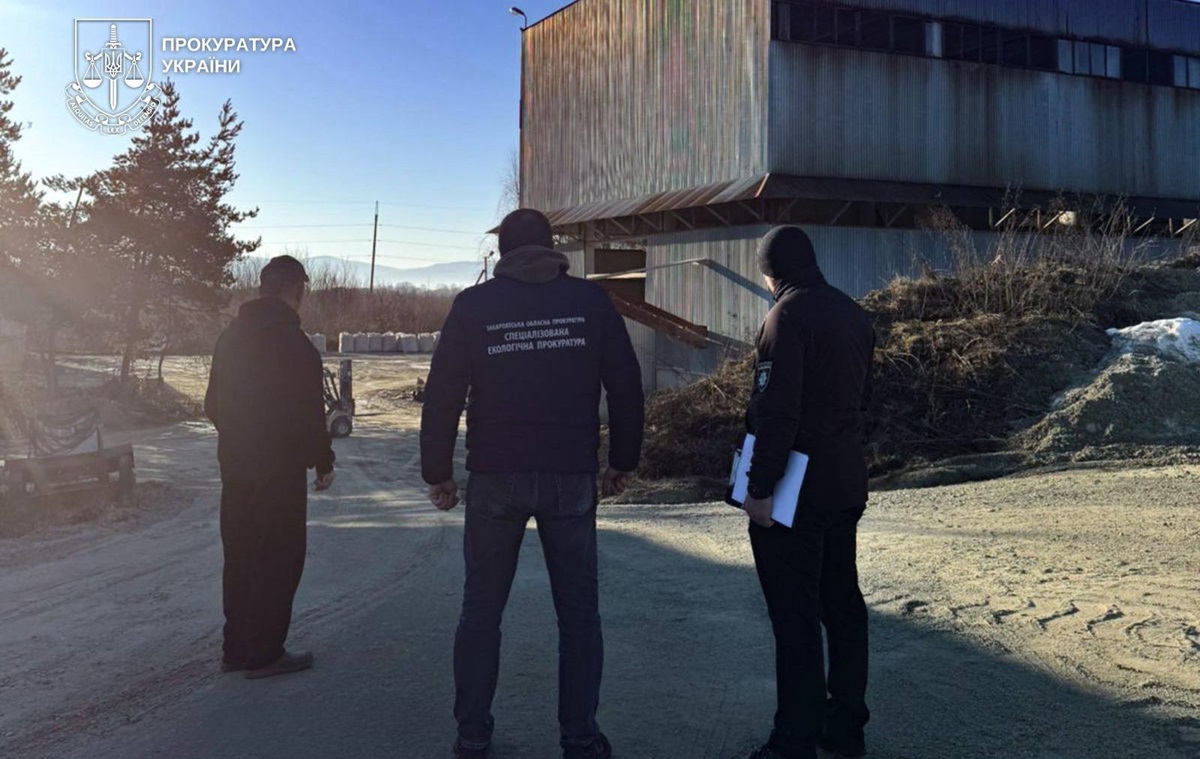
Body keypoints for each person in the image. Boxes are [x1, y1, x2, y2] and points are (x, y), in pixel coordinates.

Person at [420, 208, 645, 759]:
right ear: (552, 247)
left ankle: (473, 734)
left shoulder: (473, 306)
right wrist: (622, 460)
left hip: (495, 475)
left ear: (503, 252)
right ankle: (580, 737)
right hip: (569, 474)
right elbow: (625, 383)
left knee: (481, 610)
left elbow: (443, 392)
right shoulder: (590, 302)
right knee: (578, 614)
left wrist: (438, 472)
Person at [739, 227, 875, 759]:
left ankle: (793, 740)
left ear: (770, 273)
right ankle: (845, 728)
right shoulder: (853, 314)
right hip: (845, 480)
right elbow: (863, 397)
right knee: (842, 606)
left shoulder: (785, 317)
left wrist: (759, 487)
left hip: (797, 490)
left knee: (794, 618)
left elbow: (777, 411)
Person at [204, 255, 336, 680]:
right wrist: (323, 461)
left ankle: (237, 649)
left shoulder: (229, 339)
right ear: (296, 290)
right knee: (278, 558)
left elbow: (212, 404)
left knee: (240, 554)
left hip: (236, 467)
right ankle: (265, 654)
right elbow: (310, 416)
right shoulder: (296, 346)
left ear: (262, 288)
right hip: (280, 471)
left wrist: (239, 438)